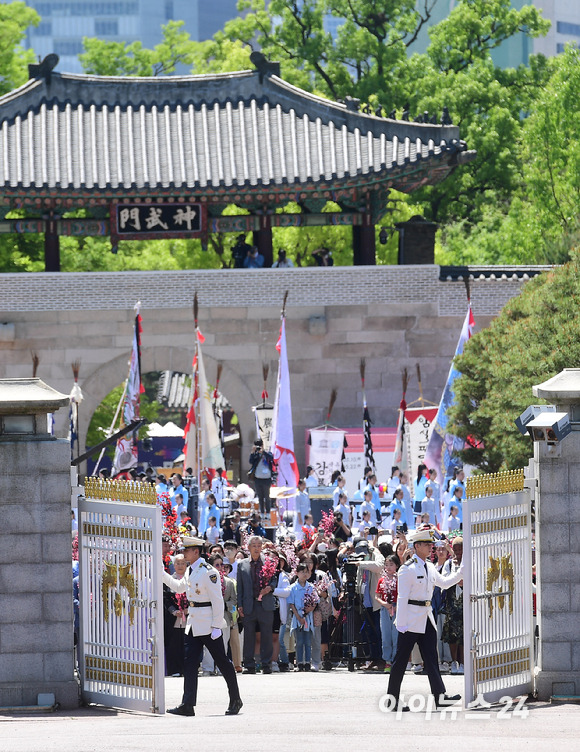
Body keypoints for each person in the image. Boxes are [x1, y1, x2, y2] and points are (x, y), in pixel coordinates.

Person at [386, 526, 464, 710]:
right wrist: (401, 623)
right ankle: (392, 701)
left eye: (431, 544)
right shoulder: (407, 569)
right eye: (427, 545)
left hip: (426, 618)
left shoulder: (429, 566)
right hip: (410, 619)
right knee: (400, 661)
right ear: (417, 546)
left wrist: (461, 572)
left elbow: (444, 583)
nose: (431, 548)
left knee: (431, 658)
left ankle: (440, 696)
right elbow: (402, 598)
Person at [162, 536, 242, 716]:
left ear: (196, 551)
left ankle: (235, 698)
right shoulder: (192, 570)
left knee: (223, 662)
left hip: (208, 624)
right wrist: (161, 572)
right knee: (189, 663)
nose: (184, 553)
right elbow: (179, 587)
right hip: (194, 623)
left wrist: (216, 626)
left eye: (187, 550)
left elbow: (217, 599)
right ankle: (187, 704)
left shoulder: (208, 571)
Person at [236, 535, 278, 674]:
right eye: (253, 545)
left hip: (265, 605)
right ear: (248, 547)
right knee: (249, 636)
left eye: (259, 545)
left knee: (266, 635)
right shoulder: (242, 564)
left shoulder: (269, 562)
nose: (256, 548)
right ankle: (249, 664)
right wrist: (240, 604)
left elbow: (274, 580)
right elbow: (240, 587)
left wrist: (269, 588)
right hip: (249, 604)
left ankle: (266, 665)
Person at [288, 562, 319, 671]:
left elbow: (315, 600)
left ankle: (307, 662)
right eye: (302, 572)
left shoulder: (310, 587)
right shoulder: (293, 587)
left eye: (306, 572)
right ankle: (299, 662)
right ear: (297, 573)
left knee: (308, 641)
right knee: (299, 641)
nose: (305, 574)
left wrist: (311, 608)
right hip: (298, 617)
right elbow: (291, 603)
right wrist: (298, 617)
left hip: (308, 617)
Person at [376, 554, 399, 672]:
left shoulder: (399, 579)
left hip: (397, 608)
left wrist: (394, 605)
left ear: (397, 566)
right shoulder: (381, 580)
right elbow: (377, 596)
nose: (388, 567)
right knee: (385, 636)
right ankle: (387, 661)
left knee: (396, 636)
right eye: (387, 564)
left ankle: (396, 660)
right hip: (385, 609)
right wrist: (385, 604)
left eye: (391, 564)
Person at [248, 439, 274, 517]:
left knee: (267, 497)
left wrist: (263, 452)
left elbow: (271, 458)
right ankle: (262, 513)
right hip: (257, 479)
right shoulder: (255, 454)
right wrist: (252, 453)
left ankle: (268, 513)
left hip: (267, 479)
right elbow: (251, 462)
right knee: (260, 497)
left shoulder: (267, 453)